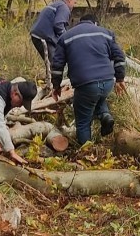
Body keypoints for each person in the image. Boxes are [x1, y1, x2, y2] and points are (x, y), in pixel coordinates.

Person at [51, 14, 126, 144]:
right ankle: (105, 115)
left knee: (83, 122)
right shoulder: (107, 34)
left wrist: (56, 85)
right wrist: (120, 79)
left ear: (80, 22)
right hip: (107, 82)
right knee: (97, 98)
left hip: (85, 84)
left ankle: (86, 152)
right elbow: (120, 57)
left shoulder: (66, 37)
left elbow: (57, 65)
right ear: (95, 23)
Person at [30, 0, 77, 66]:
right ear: (69, 0)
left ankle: (49, 76)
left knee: (51, 62)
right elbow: (58, 25)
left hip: (37, 35)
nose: (74, 6)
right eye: (74, 3)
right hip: (43, 37)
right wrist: (66, 40)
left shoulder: (56, 4)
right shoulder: (64, 7)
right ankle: (53, 77)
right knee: (55, 62)